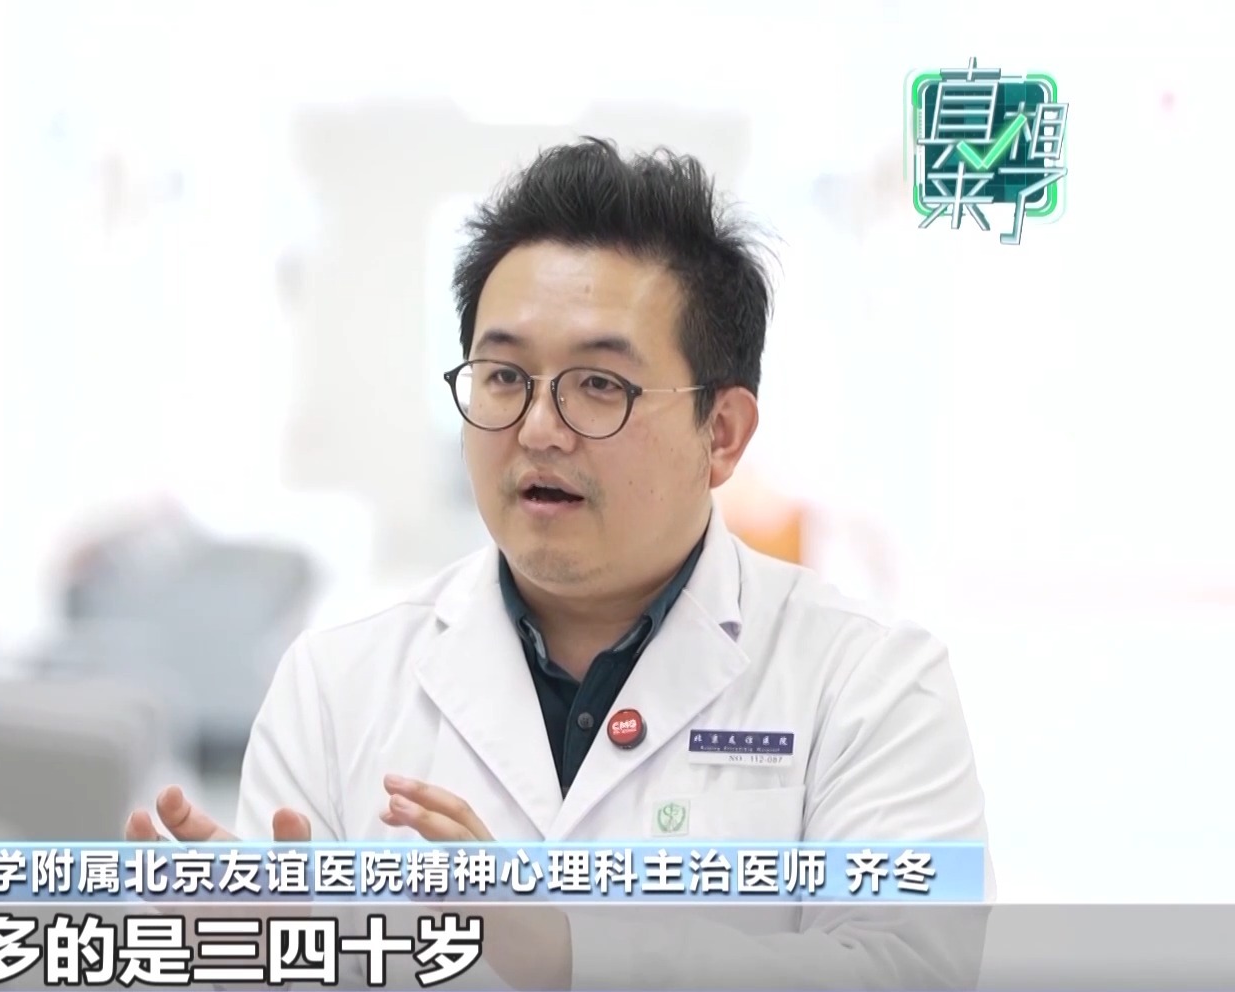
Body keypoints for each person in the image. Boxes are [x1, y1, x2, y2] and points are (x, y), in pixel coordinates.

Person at [126, 137, 993, 988]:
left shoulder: (869, 684)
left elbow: (908, 967)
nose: (539, 429)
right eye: (504, 376)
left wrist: (569, 953)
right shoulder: (335, 687)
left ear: (722, 433)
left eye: (599, 385)